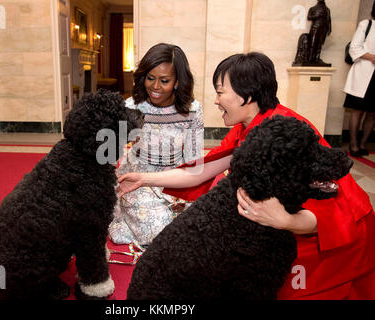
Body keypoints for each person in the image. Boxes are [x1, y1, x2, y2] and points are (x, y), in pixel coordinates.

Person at [118, 52, 375, 299]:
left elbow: (332, 209)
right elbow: (199, 173)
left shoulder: (287, 134)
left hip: (336, 235)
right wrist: (143, 178)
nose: (216, 100)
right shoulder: (248, 127)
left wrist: (283, 220)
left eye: (220, 92)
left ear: (247, 95)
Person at [108, 43, 204, 246]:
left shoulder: (192, 109)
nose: (155, 87)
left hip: (175, 176)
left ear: (178, 81)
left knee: (196, 227)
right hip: (138, 176)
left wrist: (190, 193)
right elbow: (108, 152)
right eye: (150, 78)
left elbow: (194, 159)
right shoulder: (132, 106)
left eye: (165, 80)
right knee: (159, 230)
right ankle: (123, 218)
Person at [344, 2, 375, 157]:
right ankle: (353, 144)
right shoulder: (367, 24)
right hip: (364, 74)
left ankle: (363, 143)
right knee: (357, 110)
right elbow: (354, 47)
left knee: (372, 113)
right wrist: (372, 57)